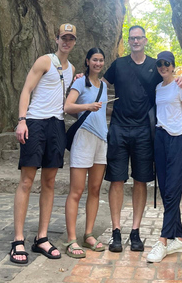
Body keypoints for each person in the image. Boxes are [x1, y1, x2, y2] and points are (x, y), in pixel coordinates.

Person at [102, 26, 182, 252]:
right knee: (117, 179)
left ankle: (136, 231)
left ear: (145, 40)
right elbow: (101, 83)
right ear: (128, 41)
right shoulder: (119, 64)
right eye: (132, 38)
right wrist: (83, 77)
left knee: (141, 179)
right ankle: (116, 231)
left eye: (139, 38)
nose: (136, 41)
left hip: (144, 130)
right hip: (119, 127)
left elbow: (168, 79)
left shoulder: (154, 65)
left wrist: (180, 80)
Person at [10, 23, 77, 264]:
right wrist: (22, 121)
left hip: (57, 125)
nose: (66, 42)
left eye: (71, 39)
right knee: (27, 180)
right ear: (56, 39)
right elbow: (26, 89)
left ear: (74, 42)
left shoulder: (71, 69)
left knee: (49, 181)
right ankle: (18, 239)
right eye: (63, 38)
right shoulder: (44, 61)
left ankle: (42, 237)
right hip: (35, 122)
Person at [146, 51, 182, 263]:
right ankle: (179, 239)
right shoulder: (157, 88)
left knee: (173, 189)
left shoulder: (181, 86)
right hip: (160, 139)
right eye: (160, 63)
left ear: (173, 65)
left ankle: (163, 241)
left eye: (167, 63)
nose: (163, 67)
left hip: (178, 140)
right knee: (166, 190)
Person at [63, 48, 108, 258]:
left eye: (100, 60)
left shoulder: (104, 86)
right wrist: (87, 106)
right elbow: (67, 106)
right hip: (84, 138)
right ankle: (72, 239)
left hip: (101, 139)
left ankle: (89, 235)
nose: (97, 63)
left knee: (95, 189)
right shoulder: (80, 82)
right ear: (87, 61)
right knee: (77, 190)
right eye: (94, 60)